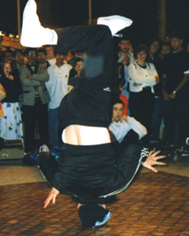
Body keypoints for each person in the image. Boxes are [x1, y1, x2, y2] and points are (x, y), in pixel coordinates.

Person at [20, 0, 166, 228]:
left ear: (103, 206)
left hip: (92, 113)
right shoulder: (66, 185)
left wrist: (143, 160)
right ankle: (109, 30)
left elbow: (132, 148)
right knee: (101, 45)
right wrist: (58, 184)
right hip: (68, 114)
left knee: (99, 40)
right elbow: (44, 155)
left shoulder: (112, 186)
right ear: (79, 206)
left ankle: (44, 38)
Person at [19, 47, 50, 153]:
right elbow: (24, 82)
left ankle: (45, 147)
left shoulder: (42, 66)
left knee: (43, 126)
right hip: (29, 101)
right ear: (26, 56)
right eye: (30, 55)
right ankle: (29, 149)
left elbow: (46, 77)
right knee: (29, 126)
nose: (32, 57)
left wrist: (32, 76)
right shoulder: (22, 68)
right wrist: (38, 80)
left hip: (42, 100)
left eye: (34, 55)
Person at [162, 31, 189, 145]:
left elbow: (186, 76)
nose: (174, 43)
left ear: (181, 41)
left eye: (176, 41)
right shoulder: (167, 57)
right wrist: (164, 91)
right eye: (172, 41)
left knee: (184, 122)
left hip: (182, 95)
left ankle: (184, 147)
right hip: (168, 95)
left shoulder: (185, 56)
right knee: (168, 122)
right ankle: (168, 147)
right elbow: (164, 76)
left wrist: (175, 92)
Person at [128, 44, 159, 133]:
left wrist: (141, 81)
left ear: (146, 55)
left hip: (149, 96)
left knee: (148, 121)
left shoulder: (151, 66)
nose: (141, 56)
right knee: (137, 122)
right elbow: (136, 78)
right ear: (136, 55)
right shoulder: (132, 66)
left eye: (144, 53)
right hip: (136, 97)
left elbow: (156, 81)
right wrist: (150, 79)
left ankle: (146, 144)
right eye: (139, 53)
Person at [46, 51, 72, 149]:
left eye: (62, 54)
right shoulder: (50, 69)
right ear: (55, 55)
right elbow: (47, 86)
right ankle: (54, 146)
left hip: (67, 102)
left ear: (65, 56)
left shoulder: (69, 68)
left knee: (66, 125)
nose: (60, 56)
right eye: (58, 54)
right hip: (53, 101)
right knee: (53, 126)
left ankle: (65, 146)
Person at [0, 62, 23, 142]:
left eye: (9, 67)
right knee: (4, 125)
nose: (7, 69)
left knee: (14, 125)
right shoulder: (0, 80)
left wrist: (13, 80)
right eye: (5, 67)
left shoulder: (15, 78)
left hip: (14, 106)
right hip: (4, 106)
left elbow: (19, 91)